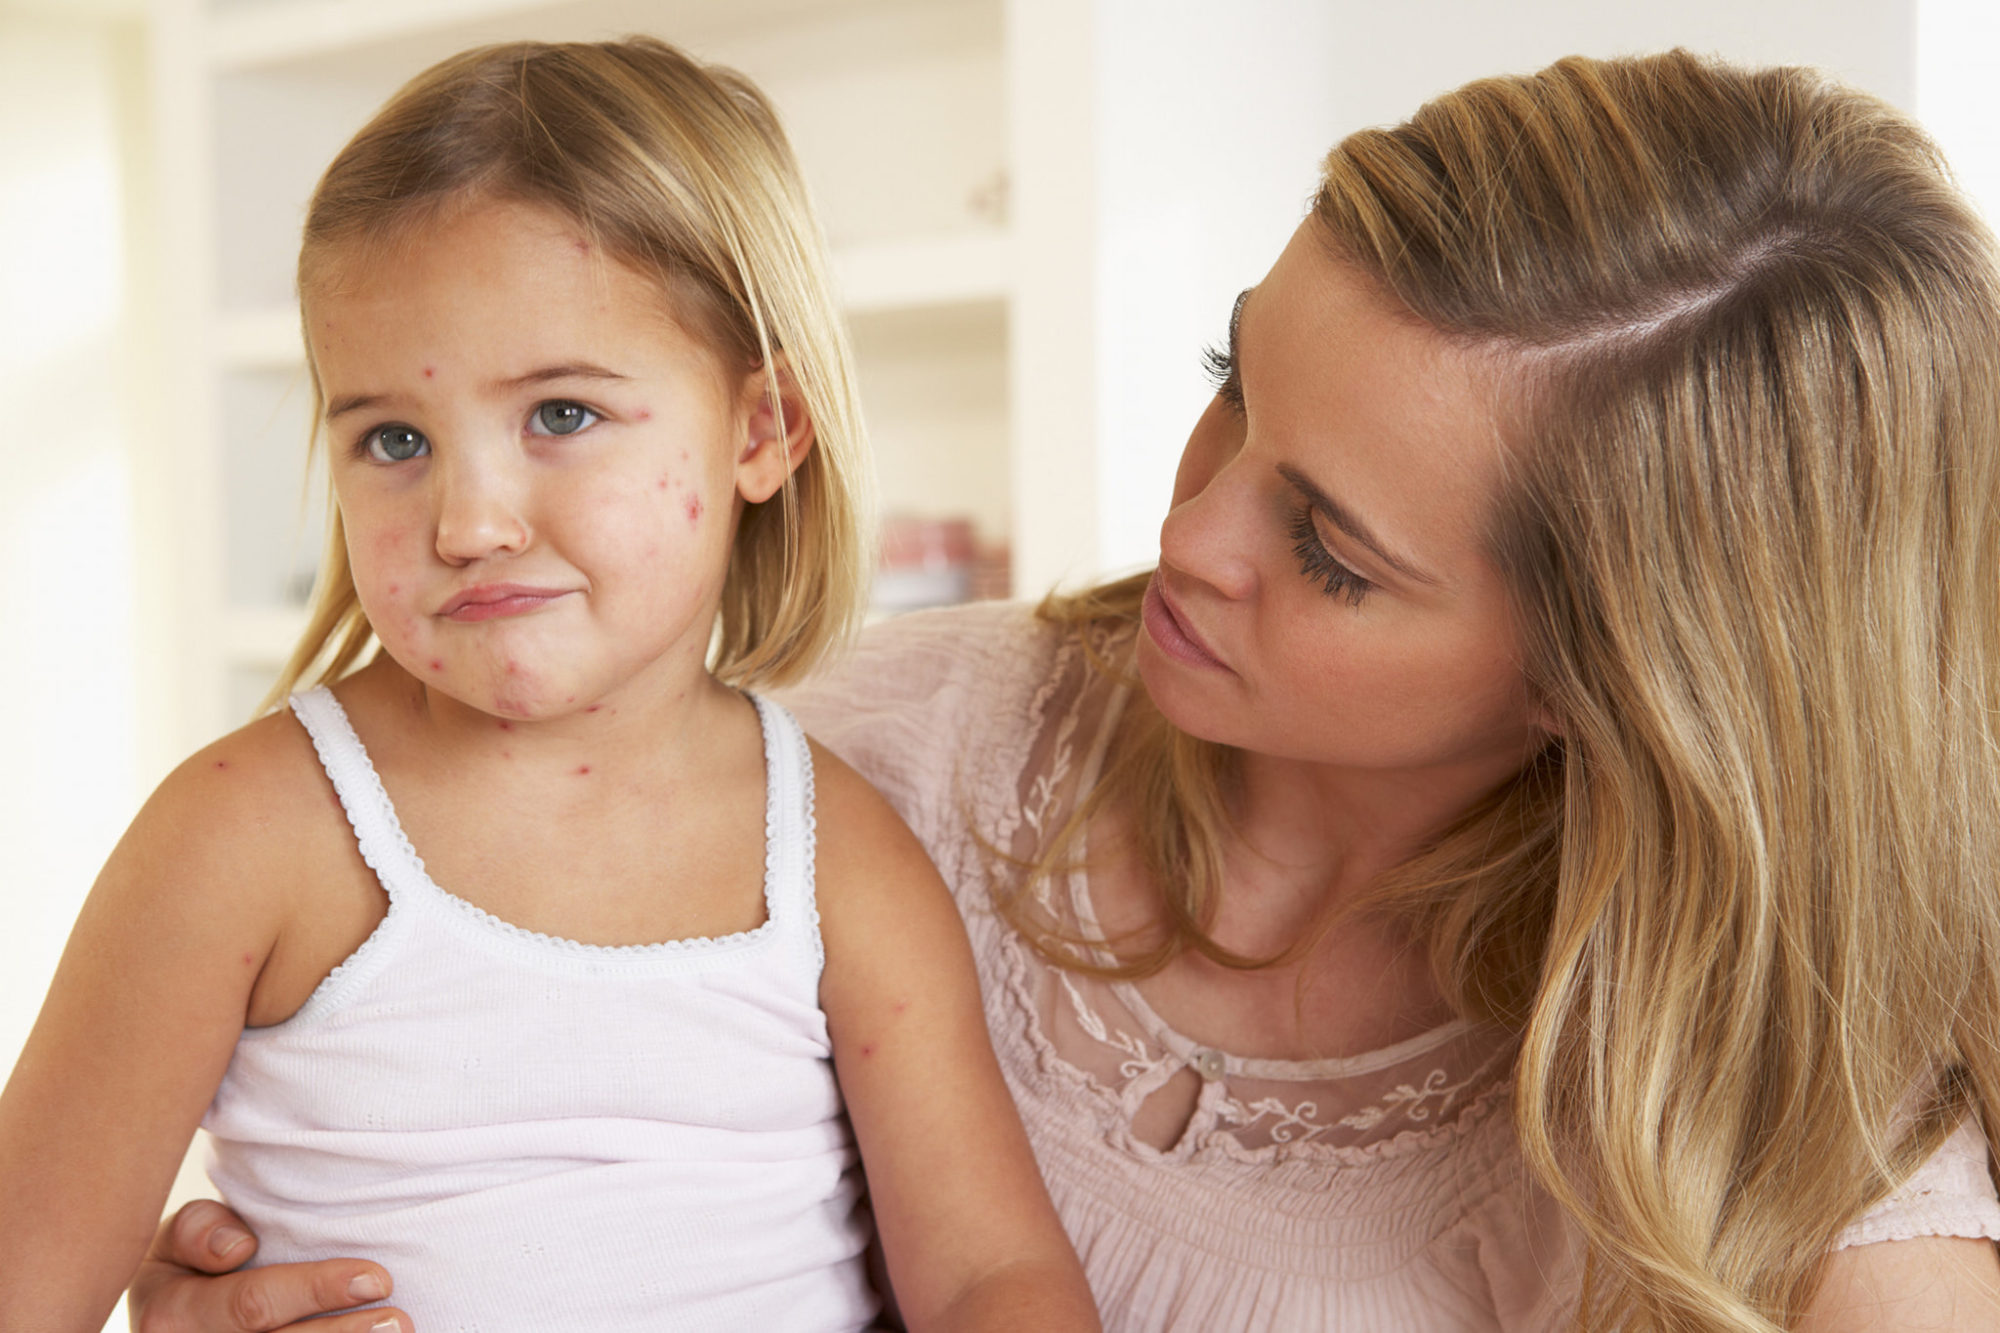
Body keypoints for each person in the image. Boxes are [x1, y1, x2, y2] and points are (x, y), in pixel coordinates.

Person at [129, 46, 2000, 1333]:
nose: (1188, 536)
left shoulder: (1791, 1113)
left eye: (1333, 551)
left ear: (1621, 687)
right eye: (1232, 380)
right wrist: (251, 1275)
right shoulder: (840, 769)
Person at [0, 36, 1099, 1333]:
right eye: (393, 440)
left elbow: (990, 1276)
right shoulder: (244, 833)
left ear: (760, 432)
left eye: (561, 415)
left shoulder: (841, 862)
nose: (467, 520)